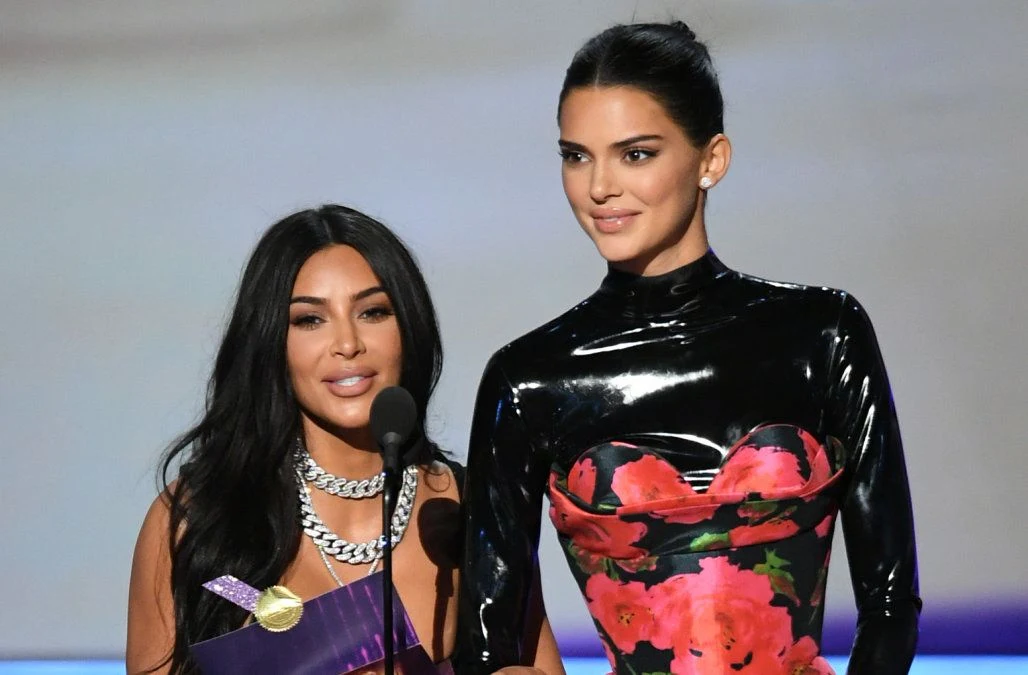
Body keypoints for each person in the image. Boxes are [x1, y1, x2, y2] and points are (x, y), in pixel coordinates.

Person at [457, 21, 920, 675]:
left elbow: (892, 601)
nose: (599, 187)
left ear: (712, 159)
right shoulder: (530, 380)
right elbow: (485, 646)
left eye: (636, 153)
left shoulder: (822, 333)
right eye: (576, 155)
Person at [126, 205, 563, 674]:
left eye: (373, 312)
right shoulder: (200, 519)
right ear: (272, 341)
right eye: (310, 320)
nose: (348, 343)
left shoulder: (472, 509)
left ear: (408, 328)